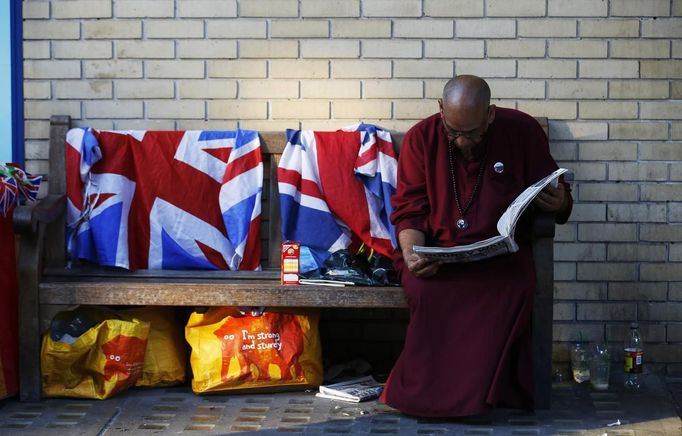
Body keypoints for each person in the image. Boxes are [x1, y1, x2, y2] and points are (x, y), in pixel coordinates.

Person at [380, 75, 572, 417]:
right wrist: (413, 254)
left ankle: (486, 396)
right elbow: (409, 210)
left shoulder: (522, 132)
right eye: (453, 131)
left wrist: (557, 201)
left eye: (472, 133)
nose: (461, 141)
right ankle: (428, 397)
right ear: (441, 110)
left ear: (491, 115)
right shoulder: (421, 139)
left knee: (513, 287)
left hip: (500, 258)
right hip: (438, 254)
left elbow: (555, 193)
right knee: (425, 290)